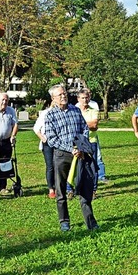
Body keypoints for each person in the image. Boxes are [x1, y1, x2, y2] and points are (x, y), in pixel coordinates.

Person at [45, 84, 98, 231]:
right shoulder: (50, 115)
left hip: (79, 154)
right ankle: (64, 221)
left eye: (64, 94)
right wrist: (70, 149)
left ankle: (90, 222)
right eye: (60, 95)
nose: (63, 96)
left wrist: (81, 146)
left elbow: (85, 129)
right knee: (61, 190)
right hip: (62, 155)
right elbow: (51, 139)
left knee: (84, 187)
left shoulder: (76, 110)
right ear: (53, 98)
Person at [75, 88, 107, 199]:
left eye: (87, 97)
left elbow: (94, 126)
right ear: (78, 99)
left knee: (93, 166)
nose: (85, 100)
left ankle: (93, 190)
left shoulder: (94, 110)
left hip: (91, 141)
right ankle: (74, 189)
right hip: (77, 142)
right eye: (82, 98)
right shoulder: (74, 110)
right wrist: (87, 124)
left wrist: (80, 124)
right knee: (77, 166)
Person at [0, 92, 18, 195]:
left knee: (5, 164)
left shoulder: (11, 110)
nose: (4, 102)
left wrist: (13, 136)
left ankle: (2, 187)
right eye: (2, 100)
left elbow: (15, 124)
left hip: (6, 141)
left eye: (6, 100)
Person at [33, 100, 56, 199]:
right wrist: (43, 138)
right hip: (47, 144)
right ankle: (51, 189)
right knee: (50, 166)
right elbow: (36, 128)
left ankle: (60, 187)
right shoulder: (45, 114)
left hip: (59, 143)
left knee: (59, 165)